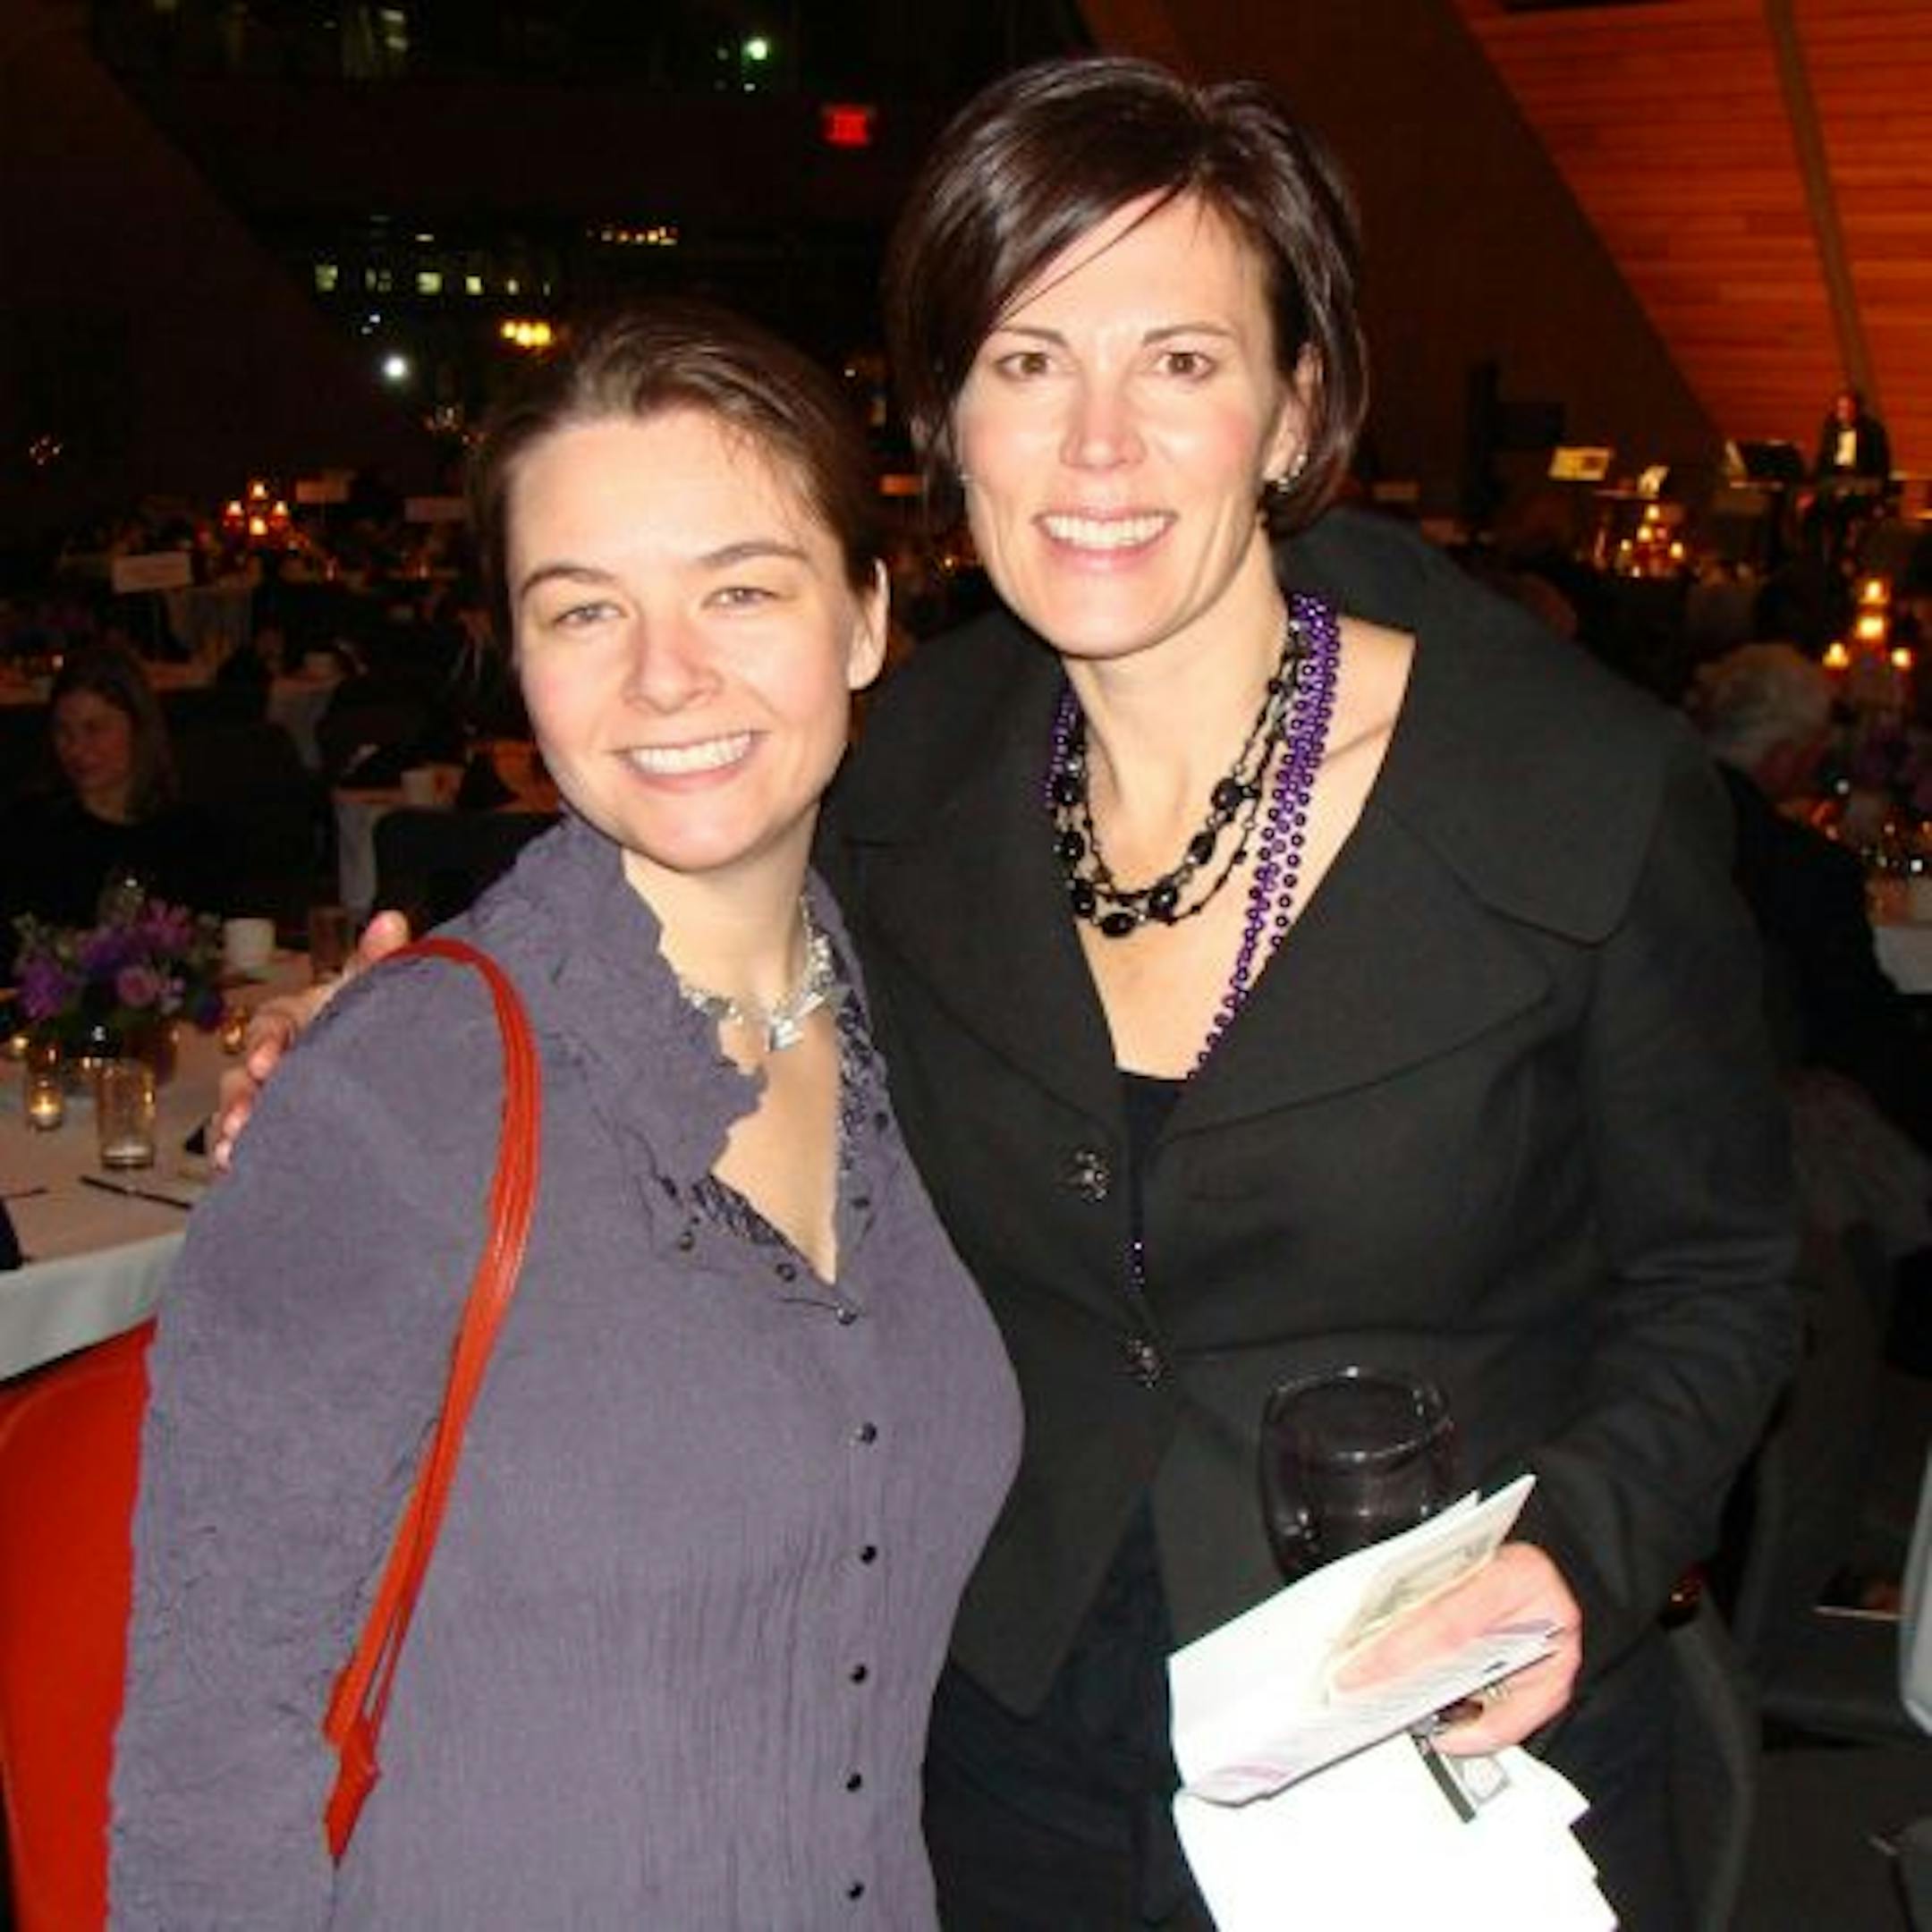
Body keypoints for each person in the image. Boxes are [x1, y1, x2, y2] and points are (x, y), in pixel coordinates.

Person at [219, 57, 1798, 1928]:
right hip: (1007, 1733)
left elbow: (1726, 1275)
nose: (1096, 449)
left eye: (1182, 364)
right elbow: (662, 904)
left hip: (1427, 1744)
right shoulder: (911, 767)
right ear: (949, 422)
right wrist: (388, 1044)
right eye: (1029, 363)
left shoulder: (1573, 792)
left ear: (1297, 410)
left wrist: (1593, 1554)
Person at [110, 301, 1021, 1926]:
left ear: (871, 616)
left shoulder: (930, 1014)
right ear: (514, 656)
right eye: (583, 608)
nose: (666, 675)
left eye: (741, 588)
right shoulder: (405, 1096)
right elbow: (210, 1761)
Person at [0, 643, 228, 973]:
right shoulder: (31, 828)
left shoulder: (185, 833)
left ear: (138, 730)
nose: (77, 749)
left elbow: (206, 950)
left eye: (95, 730)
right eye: (63, 731)